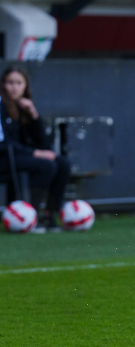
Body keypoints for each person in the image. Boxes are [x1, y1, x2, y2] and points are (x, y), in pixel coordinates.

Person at [0, 66, 71, 233]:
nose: (14, 87)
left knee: (63, 164)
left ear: (25, 86)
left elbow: (43, 143)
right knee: (46, 166)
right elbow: (3, 144)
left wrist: (34, 115)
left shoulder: (24, 107)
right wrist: (35, 153)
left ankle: (49, 215)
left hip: (22, 157)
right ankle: (28, 217)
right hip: (4, 158)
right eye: (10, 82)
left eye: (19, 83)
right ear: (3, 85)